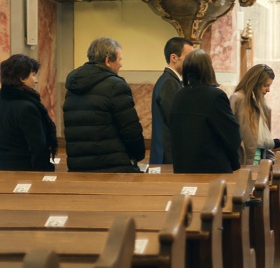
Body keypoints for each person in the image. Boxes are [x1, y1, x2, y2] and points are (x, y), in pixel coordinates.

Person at [63, 37, 145, 172]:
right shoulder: (116, 86)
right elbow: (130, 129)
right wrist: (137, 155)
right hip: (113, 166)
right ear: (108, 60)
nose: (121, 64)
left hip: (79, 166)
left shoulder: (72, 87)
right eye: (119, 59)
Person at [170, 49, 242, 173]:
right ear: (208, 69)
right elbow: (232, 135)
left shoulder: (178, 96)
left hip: (183, 168)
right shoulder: (215, 96)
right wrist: (234, 162)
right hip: (212, 169)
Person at [0, 54, 58, 171]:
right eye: (33, 75)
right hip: (23, 169)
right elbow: (37, 147)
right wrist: (45, 171)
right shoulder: (27, 107)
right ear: (22, 77)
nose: (36, 80)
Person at [150, 36, 193, 164]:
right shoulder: (169, 82)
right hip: (167, 155)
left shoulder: (172, 80)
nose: (191, 63)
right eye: (188, 58)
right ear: (174, 58)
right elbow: (176, 119)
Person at [231, 64, 280, 165]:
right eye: (265, 85)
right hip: (243, 161)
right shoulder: (237, 99)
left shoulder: (263, 106)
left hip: (261, 161)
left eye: (269, 86)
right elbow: (229, 131)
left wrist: (272, 161)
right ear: (254, 83)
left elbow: (263, 139)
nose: (268, 90)